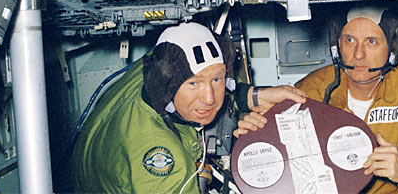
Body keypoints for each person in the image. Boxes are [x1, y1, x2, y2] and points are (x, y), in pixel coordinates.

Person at [71, 22, 306, 193]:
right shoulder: (163, 162)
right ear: (165, 82)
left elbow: (208, 79)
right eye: (193, 83)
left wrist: (254, 95)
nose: (209, 98)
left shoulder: (155, 66)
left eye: (217, 80)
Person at [236, 5, 398, 193]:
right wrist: (256, 134)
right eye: (349, 40)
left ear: (393, 47)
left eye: (371, 41)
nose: (358, 54)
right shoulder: (312, 89)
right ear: (337, 44)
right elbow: (282, 164)